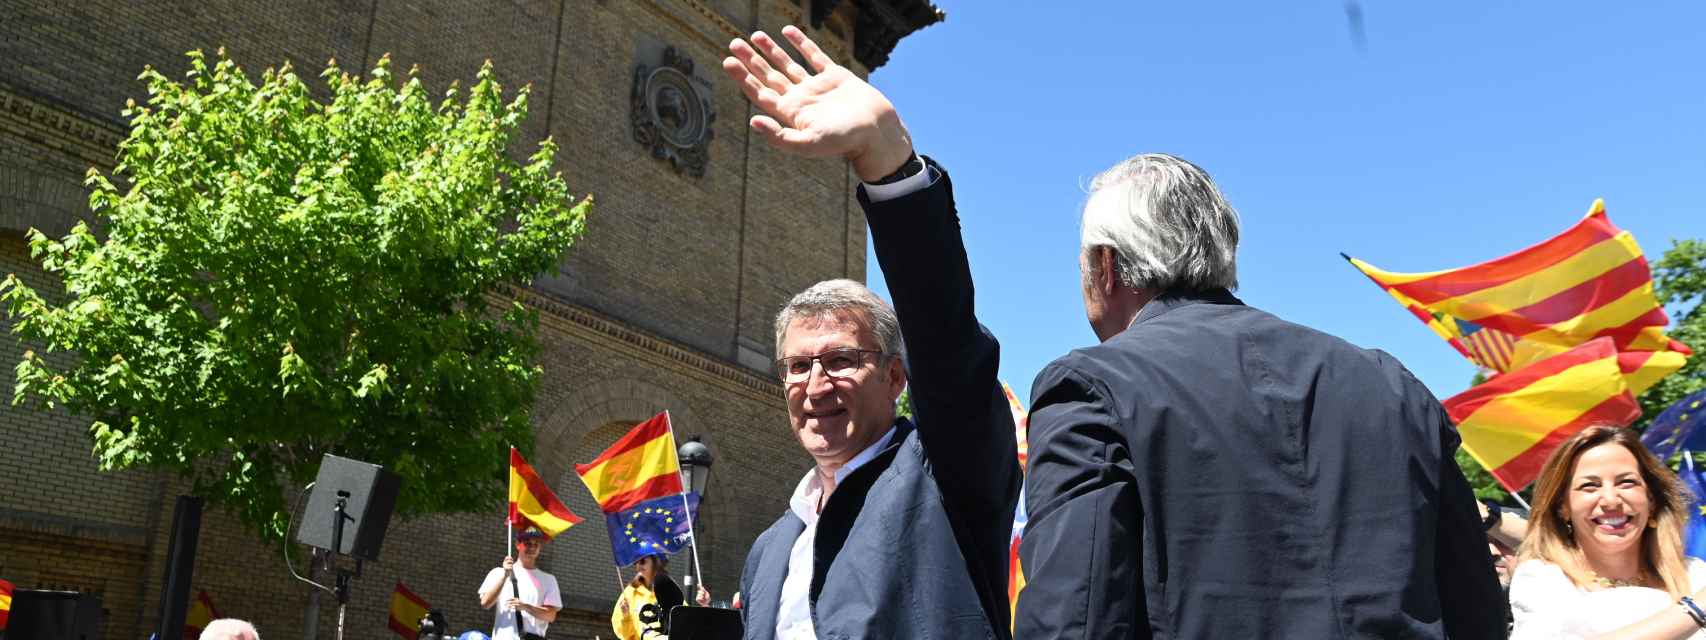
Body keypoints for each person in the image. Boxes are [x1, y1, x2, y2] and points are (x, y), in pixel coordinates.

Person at [1011, 154, 1506, 637]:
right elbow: (1475, 609)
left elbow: (1074, 619)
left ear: (1106, 265)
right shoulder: (1391, 384)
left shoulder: (1090, 386)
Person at [721, 26, 1022, 639]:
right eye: (797, 366)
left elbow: (945, 336)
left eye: (839, 359)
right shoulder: (771, 548)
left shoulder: (945, 473)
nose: (815, 384)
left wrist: (888, 163)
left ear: (894, 377)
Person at [1509, 425, 1706, 639]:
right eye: (1590, 486)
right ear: (1562, 507)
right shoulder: (1543, 580)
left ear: (1651, 500)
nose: (1611, 500)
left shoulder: (1695, 574)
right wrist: (1696, 610)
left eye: (1626, 482)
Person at [477, 528, 562, 640]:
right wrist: (505, 575)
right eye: (527, 543)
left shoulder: (549, 580)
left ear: (540, 548)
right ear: (518, 545)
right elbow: (485, 603)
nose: (532, 548)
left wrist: (525, 606)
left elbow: (550, 616)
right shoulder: (498, 573)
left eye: (536, 544)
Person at [612, 554, 711, 639]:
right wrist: (625, 617)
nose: (638, 566)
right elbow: (625, 635)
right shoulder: (630, 593)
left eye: (642, 561)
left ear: (657, 563)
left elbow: (688, 628)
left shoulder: (670, 591)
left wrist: (705, 607)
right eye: (635, 562)